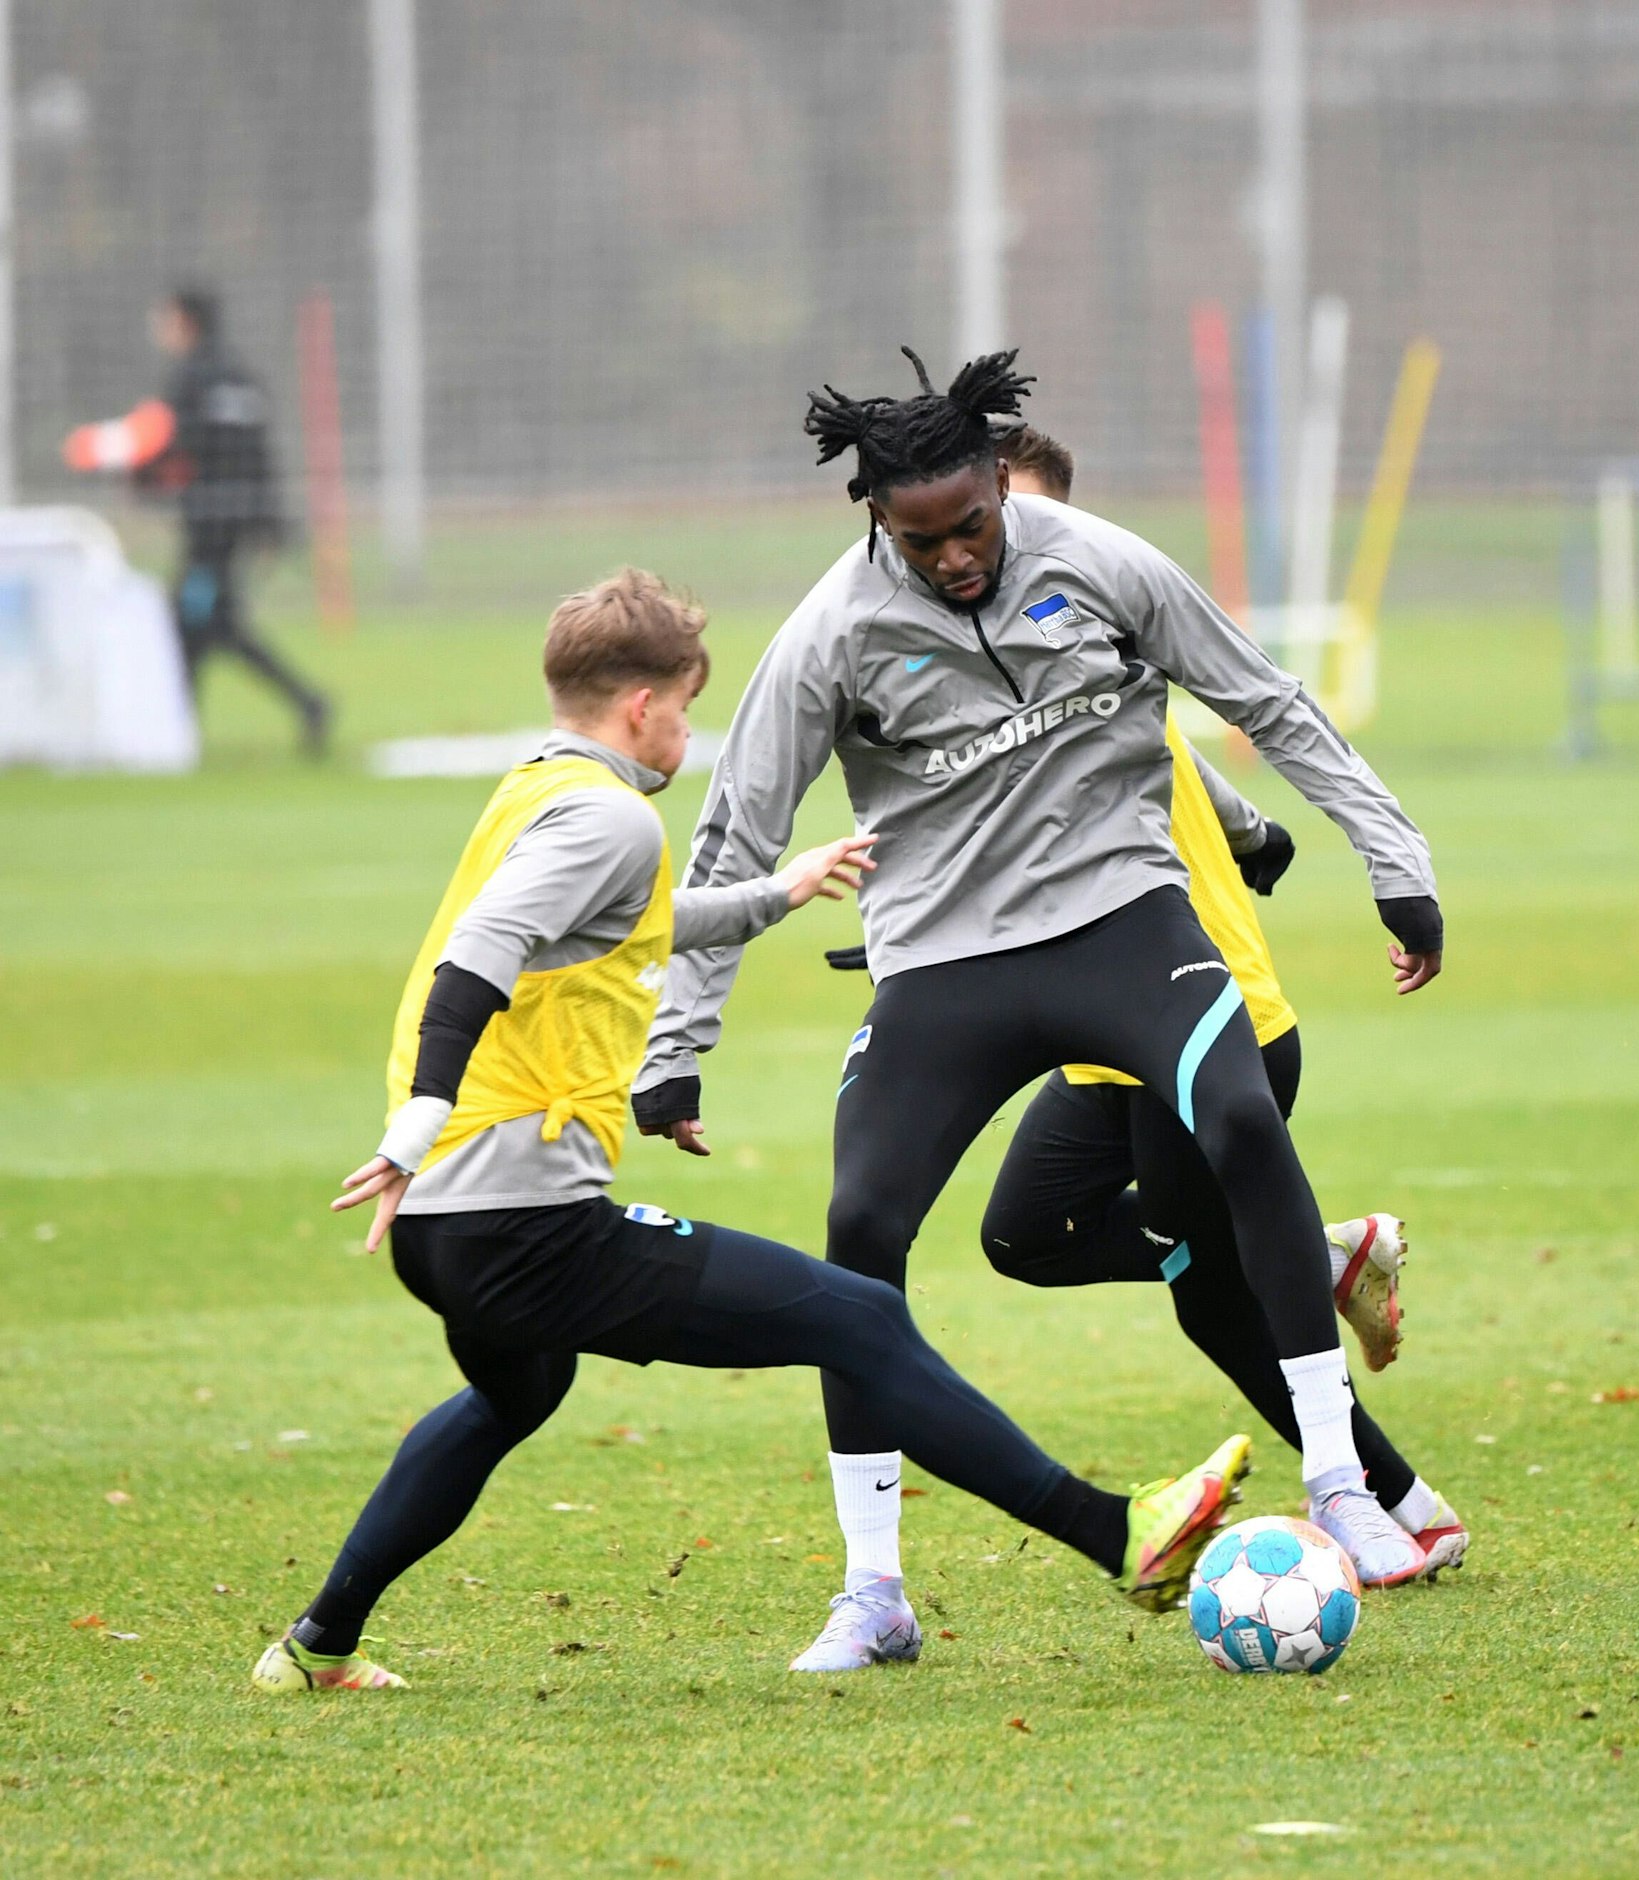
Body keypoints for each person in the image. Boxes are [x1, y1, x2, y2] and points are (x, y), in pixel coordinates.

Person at [251, 566, 1251, 1695]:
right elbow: (478, 950)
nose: (687, 727)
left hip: (450, 1221)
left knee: (513, 1392)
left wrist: (776, 892)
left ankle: (316, 1646)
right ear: (643, 707)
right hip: (517, 1216)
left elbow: (621, 922)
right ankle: (1119, 1535)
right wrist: (415, 1117)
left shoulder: (536, 787)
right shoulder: (611, 814)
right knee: (860, 1317)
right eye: (685, 703)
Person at [632, 348, 1446, 1675]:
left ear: (999, 487)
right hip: (944, 966)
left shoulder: (1104, 564)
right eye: (924, 537)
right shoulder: (830, 635)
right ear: (877, 521)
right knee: (859, 1238)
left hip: (1126, 925)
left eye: (974, 524)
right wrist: (679, 1048)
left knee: (1242, 1120)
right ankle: (874, 1591)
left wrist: (1395, 864)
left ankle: (1343, 1486)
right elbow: (738, 836)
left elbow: (1269, 705)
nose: (957, 555)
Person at [969, 426, 1467, 1573]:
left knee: (1211, 1296)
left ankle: (1397, 1504)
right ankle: (1318, 1250)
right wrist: (1254, 830)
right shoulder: (980, 661)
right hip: (1099, 1041)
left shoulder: (1090, 625)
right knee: (1022, 1232)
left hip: (1199, 1018)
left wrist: (1303, 840)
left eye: (1024, 517)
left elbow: (1182, 739)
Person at [64, 287, 331, 755]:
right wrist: (271, 525)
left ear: (185, 321)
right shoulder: (244, 378)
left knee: (191, 623)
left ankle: (187, 730)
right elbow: (261, 458)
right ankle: (292, 706)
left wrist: (135, 476)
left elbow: (169, 445)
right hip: (240, 520)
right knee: (211, 625)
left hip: (208, 523)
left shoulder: (188, 380)